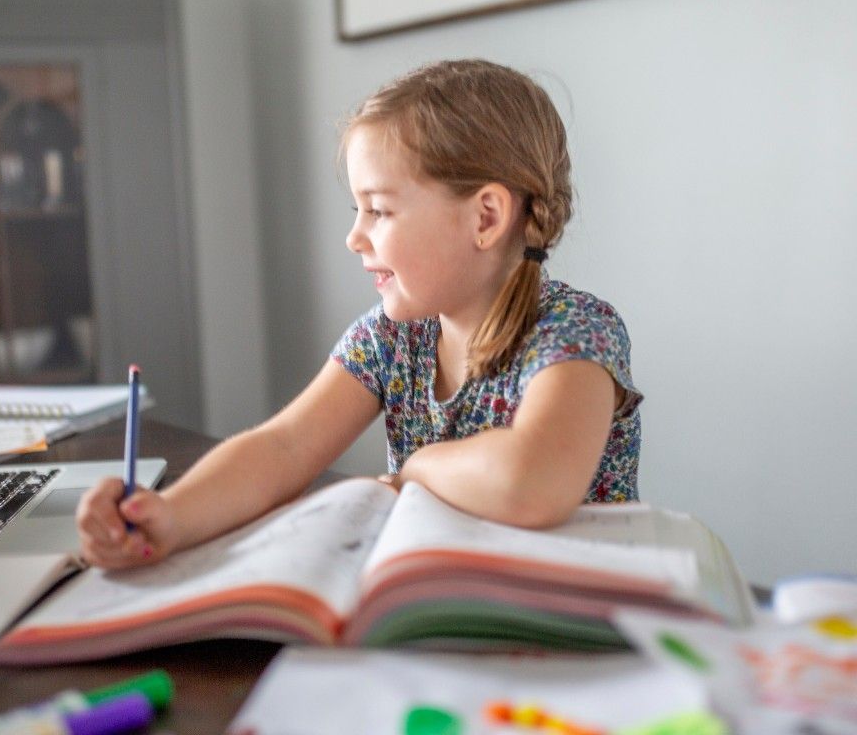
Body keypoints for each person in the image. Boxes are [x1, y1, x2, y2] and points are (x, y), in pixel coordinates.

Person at [78, 59, 642, 569]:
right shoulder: (391, 339)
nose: (354, 238)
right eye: (358, 210)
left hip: (578, 629)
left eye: (378, 210)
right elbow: (284, 447)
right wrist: (170, 517)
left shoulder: (574, 330)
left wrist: (416, 471)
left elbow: (533, 481)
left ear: (486, 217)